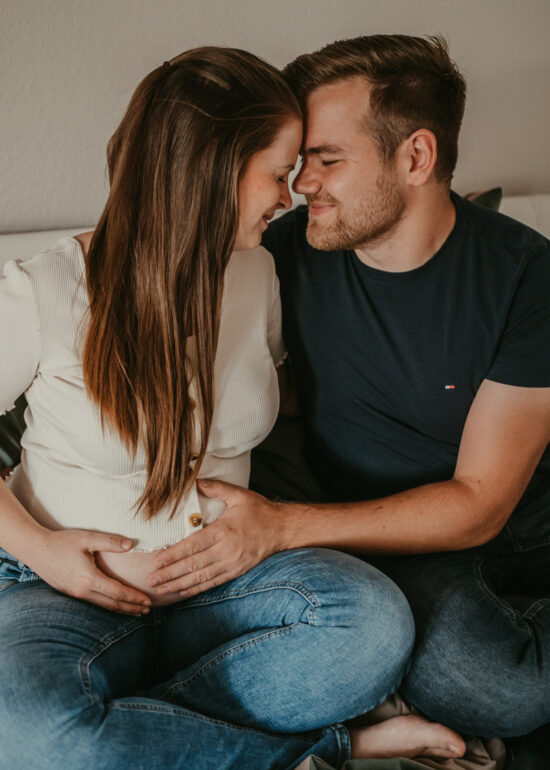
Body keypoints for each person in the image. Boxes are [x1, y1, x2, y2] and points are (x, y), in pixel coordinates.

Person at [0, 45, 466, 770]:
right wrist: (40, 550)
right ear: (209, 168)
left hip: (226, 591)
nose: (291, 196)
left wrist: (278, 527)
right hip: (65, 595)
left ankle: (133, 731)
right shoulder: (47, 289)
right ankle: (330, 750)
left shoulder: (259, 275)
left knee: (374, 625)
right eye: (278, 174)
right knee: (34, 730)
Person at [147, 34, 550, 755]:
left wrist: (281, 525)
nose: (302, 184)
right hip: (410, 549)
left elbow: (481, 504)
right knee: (493, 684)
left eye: (328, 161)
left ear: (416, 157)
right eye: (302, 162)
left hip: (519, 524)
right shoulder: (280, 255)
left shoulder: (526, 277)